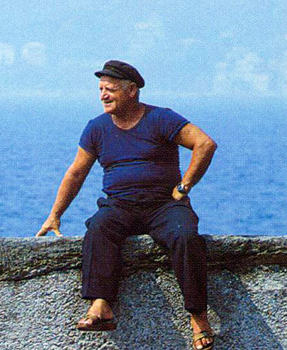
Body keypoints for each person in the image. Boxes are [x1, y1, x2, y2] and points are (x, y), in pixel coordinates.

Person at [35, 60, 218, 350]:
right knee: (99, 227)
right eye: (100, 89)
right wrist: (55, 215)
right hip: (120, 205)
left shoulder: (161, 119)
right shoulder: (96, 128)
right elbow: (77, 172)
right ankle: (101, 306)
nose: (103, 95)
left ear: (131, 90)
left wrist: (184, 186)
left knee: (185, 236)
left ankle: (199, 317)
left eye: (110, 89)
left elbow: (205, 144)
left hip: (164, 205)